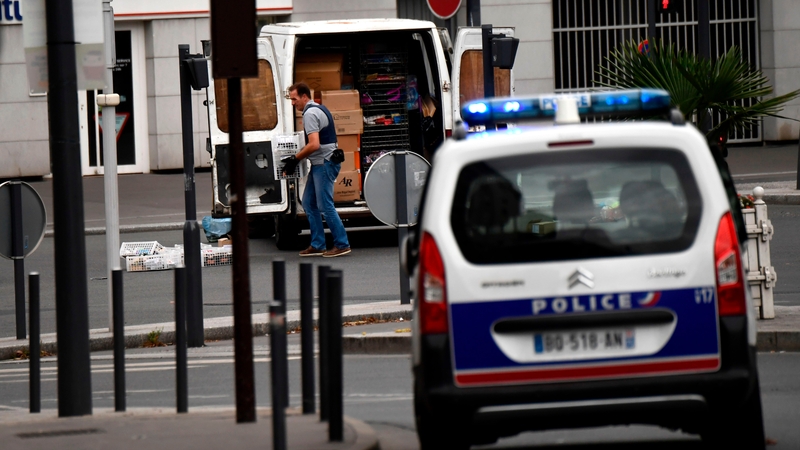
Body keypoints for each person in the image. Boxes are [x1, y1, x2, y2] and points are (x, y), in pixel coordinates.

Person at [283, 82, 351, 257]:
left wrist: (295, 159)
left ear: (304, 97)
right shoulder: (319, 108)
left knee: (325, 205)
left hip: (324, 163)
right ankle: (318, 244)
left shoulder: (310, 113)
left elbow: (314, 144)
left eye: (294, 99)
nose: (293, 103)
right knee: (308, 203)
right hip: (321, 163)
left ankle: (342, 244)